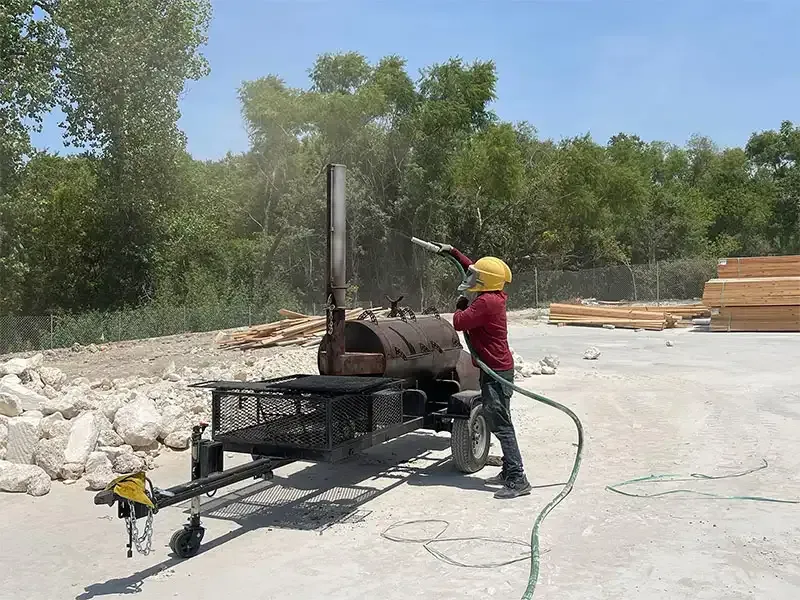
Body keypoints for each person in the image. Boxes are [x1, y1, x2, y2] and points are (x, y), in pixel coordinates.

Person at [441, 244, 531, 499]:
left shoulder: (486, 303)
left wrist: (460, 303)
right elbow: (473, 268)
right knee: (500, 420)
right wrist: (453, 252)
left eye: (476, 276)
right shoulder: (493, 293)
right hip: (496, 368)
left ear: (485, 280)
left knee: (500, 423)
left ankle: (518, 478)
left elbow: (459, 322)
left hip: (496, 372)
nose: (472, 276)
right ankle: (509, 470)